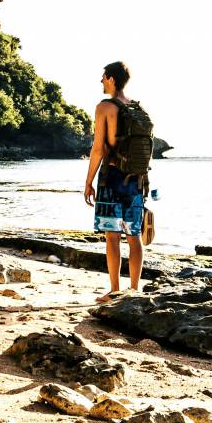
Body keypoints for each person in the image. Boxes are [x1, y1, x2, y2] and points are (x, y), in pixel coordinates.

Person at [84, 61, 147, 301]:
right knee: (134, 235)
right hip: (137, 180)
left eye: (103, 77)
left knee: (112, 235)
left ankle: (114, 290)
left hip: (111, 178)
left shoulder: (105, 107)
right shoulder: (138, 109)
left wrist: (88, 181)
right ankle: (134, 290)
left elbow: (98, 148)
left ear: (111, 79)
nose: (101, 81)